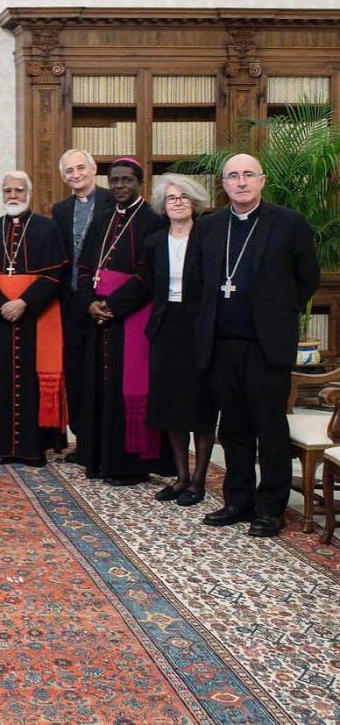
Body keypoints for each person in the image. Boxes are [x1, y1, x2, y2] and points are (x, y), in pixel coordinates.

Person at [185, 153, 320, 537]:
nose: (241, 182)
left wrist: (276, 313)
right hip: (222, 345)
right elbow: (196, 283)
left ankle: (270, 508)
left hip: (265, 345)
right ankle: (238, 500)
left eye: (248, 175)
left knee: (269, 430)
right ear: (223, 185)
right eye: (233, 176)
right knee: (234, 430)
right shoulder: (209, 227)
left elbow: (306, 279)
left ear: (261, 181)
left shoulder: (289, 223)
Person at [74, 157, 164, 485]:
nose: (119, 186)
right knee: (98, 387)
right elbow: (83, 267)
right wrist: (90, 303)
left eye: (126, 180)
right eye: (114, 181)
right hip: (97, 315)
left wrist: (112, 306)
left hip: (130, 318)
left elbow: (148, 274)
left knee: (124, 388)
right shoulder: (101, 219)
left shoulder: (152, 221)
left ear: (140, 183)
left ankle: (127, 465)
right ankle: (97, 458)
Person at [0, 172, 67, 464]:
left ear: (29, 193)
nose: (13, 195)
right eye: (7, 190)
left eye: (19, 190)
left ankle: (30, 448)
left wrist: (23, 302)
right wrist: (1, 306)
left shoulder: (47, 230)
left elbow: (53, 275)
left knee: (31, 383)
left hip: (35, 318)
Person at [144, 174, 217, 506]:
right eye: (171, 198)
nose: (176, 202)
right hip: (165, 327)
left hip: (198, 327)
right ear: (163, 204)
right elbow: (148, 285)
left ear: (194, 203)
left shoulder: (208, 237)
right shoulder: (155, 241)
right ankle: (181, 477)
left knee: (199, 405)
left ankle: (199, 481)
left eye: (183, 197)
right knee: (170, 405)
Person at [51, 148, 113, 458]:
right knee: (75, 372)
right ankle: (82, 439)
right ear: (64, 177)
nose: (76, 175)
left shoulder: (113, 202)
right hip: (72, 302)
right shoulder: (60, 210)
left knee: (103, 373)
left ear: (93, 169)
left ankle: (106, 441)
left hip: (106, 302)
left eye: (80, 168)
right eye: (69, 171)